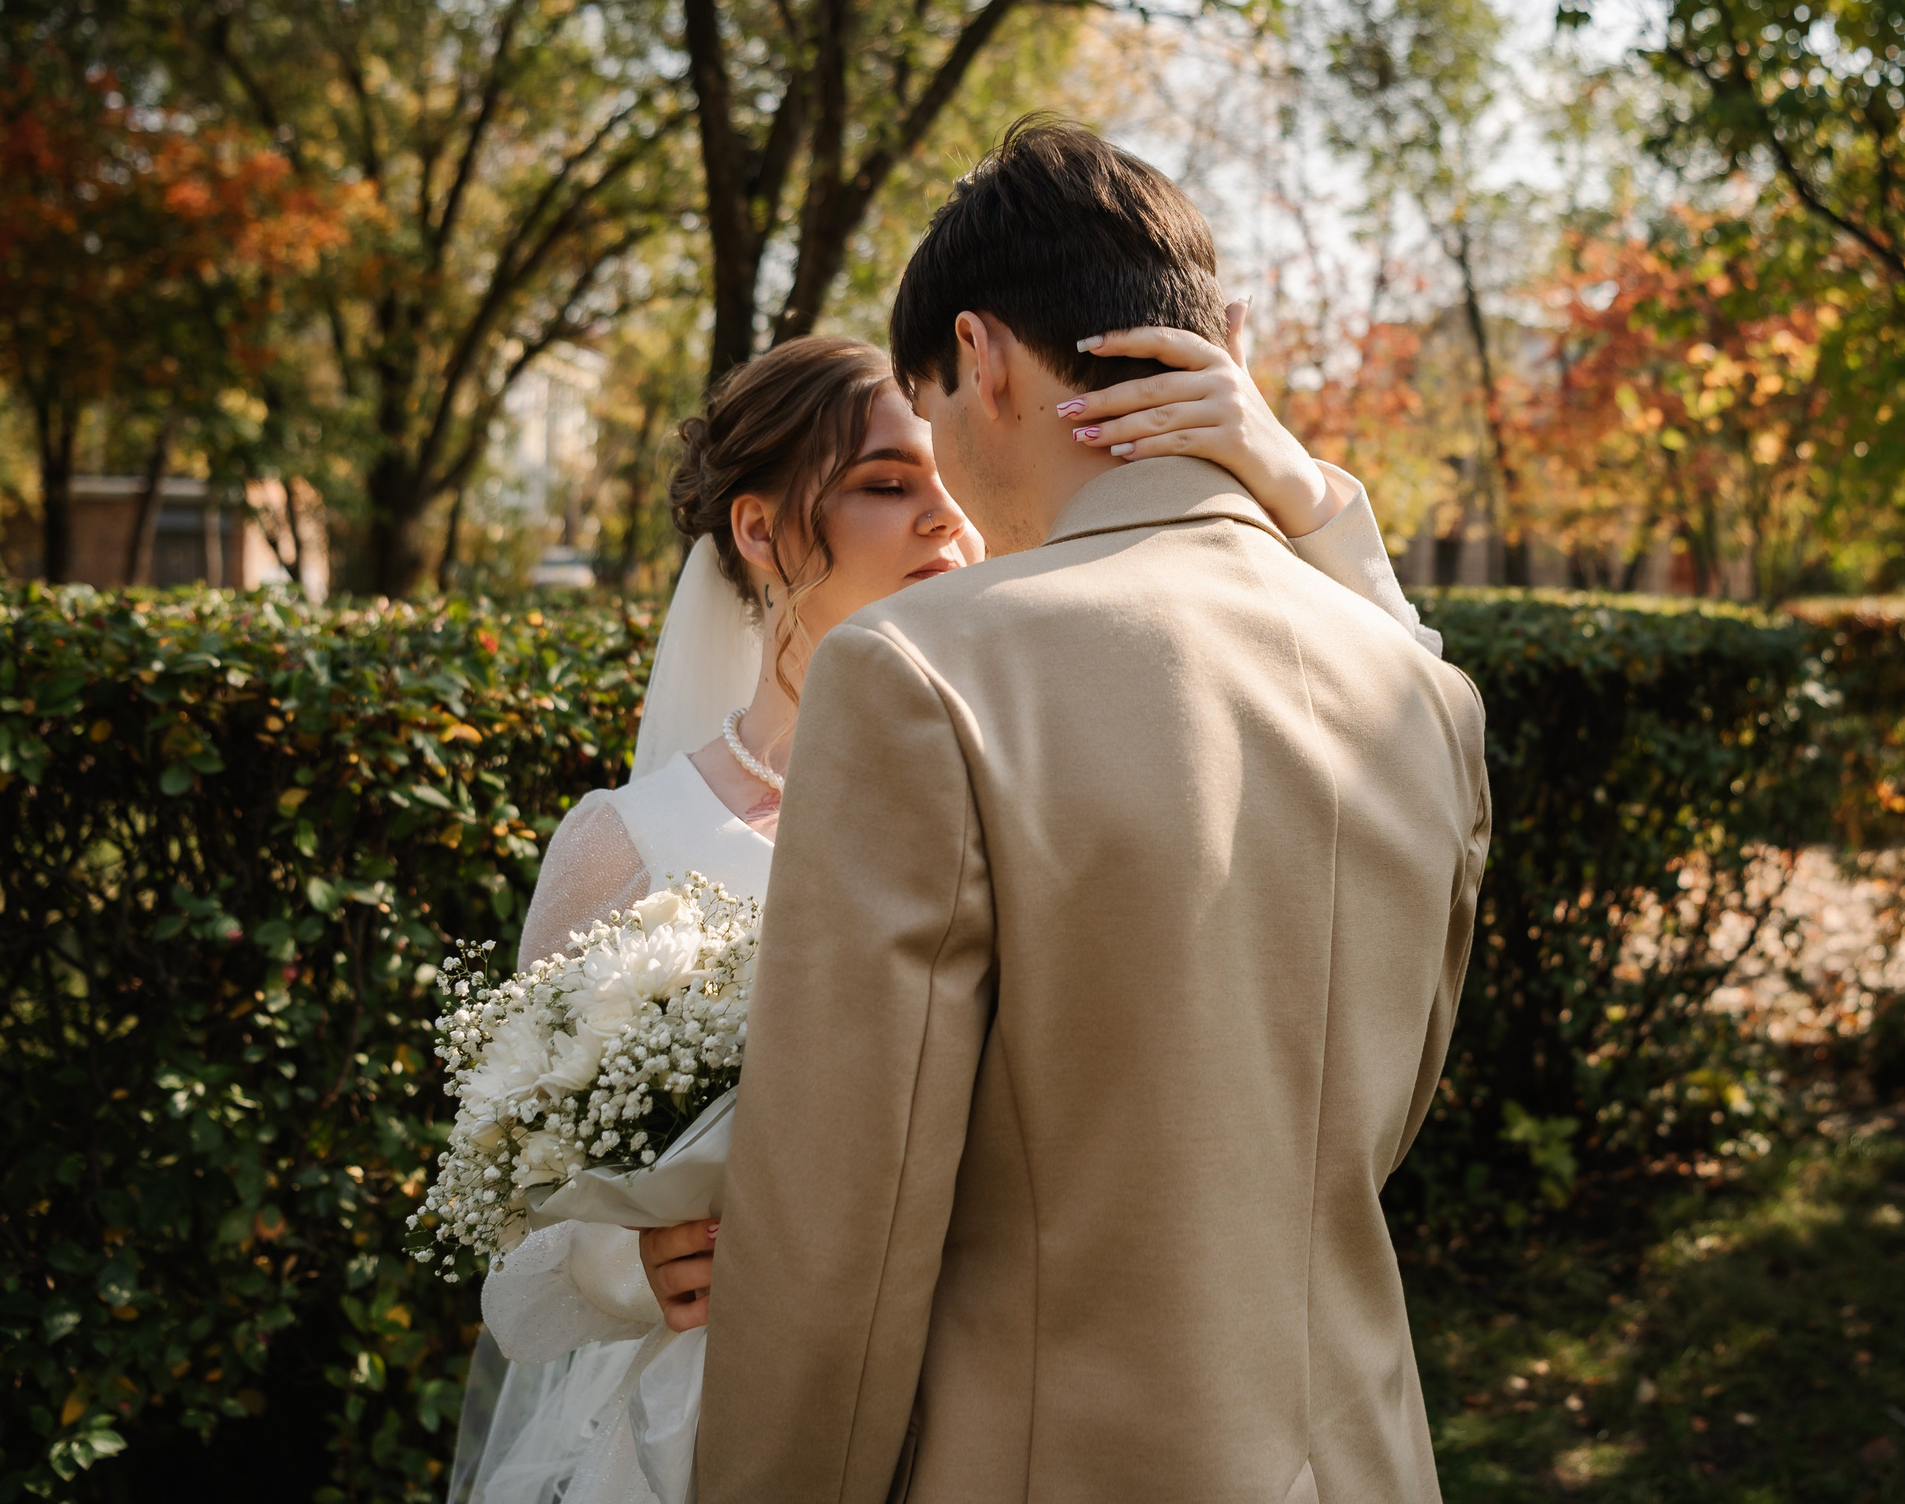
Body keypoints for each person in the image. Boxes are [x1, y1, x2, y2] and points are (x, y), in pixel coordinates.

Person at [452, 313, 1436, 1503]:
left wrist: (1300, 489)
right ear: (759, 528)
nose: (945, 517)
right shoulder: (624, 843)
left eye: (945, 473)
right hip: (717, 1427)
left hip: (1011, 1409)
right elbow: (512, 1237)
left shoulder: (1050, 760)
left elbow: (1411, 722)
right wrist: (633, 1262)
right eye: (883, 482)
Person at [694, 119, 1489, 1503]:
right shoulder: (1420, 694)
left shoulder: (921, 670)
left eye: (929, 407)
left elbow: (847, 1228)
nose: (941, 465)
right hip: (1360, 1458)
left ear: (981, 357)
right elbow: (1384, 1108)